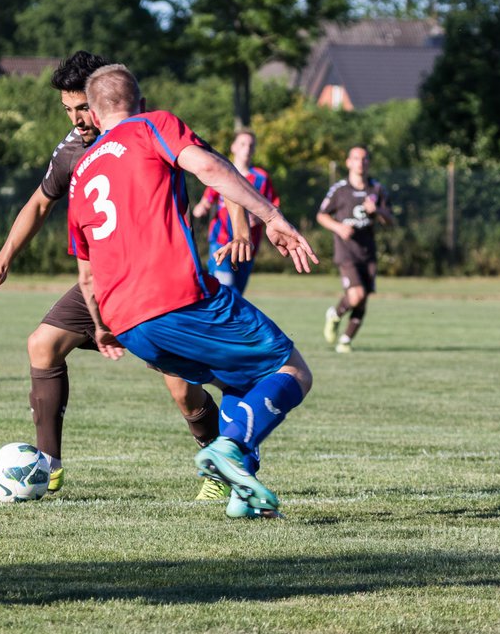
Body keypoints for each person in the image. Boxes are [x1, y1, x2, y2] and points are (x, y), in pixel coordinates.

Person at [0, 51, 252, 494]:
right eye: (68, 109)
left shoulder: (148, 132)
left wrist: (239, 225)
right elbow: (40, 203)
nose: (77, 118)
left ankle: (223, 470)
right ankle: (48, 465)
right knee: (43, 345)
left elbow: (219, 171)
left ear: (101, 100)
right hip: (104, 282)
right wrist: (1, 261)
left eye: (82, 107)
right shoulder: (71, 151)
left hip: (162, 284)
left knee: (184, 393)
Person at [67, 64, 317, 519]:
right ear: (139, 103)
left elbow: (86, 274)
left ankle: (243, 495)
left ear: (96, 115)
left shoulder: (81, 172)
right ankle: (230, 453)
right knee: (292, 370)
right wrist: (271, 217)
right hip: (178, 296)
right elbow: (206, 166)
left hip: (127, 323)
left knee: (239, 381)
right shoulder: (151, 125)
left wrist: (102, 328)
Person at [316, 145, 393, 354]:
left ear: (369, 163)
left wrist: (377, 211)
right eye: (356, 158)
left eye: (365, 159)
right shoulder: (340, 189)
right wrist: (338, 227)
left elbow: (390, 220)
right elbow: (321, 215)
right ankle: (335, 313)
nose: (361, 162)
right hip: (346, 251)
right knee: (356, 295)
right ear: (348, 162)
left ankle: (346, 340)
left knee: (364, 297)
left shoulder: (376, 189)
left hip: (368, 252)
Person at [191, 129, 278, 294]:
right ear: (233, 147)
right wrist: (200, 209)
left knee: (237, 293)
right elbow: (206, 201)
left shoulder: (261, 178)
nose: (247, 148)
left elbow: (273, 208)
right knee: (226, 291)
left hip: (247, 245)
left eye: (251, 145)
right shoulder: (221, 173)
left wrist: (259, 218)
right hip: (221, 239)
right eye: (243, 144)